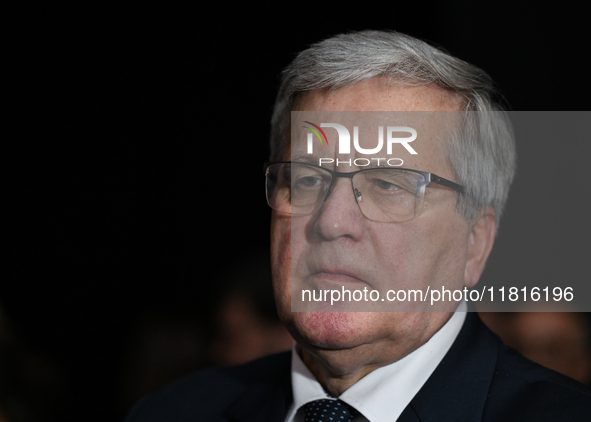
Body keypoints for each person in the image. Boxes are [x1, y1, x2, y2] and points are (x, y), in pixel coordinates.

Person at [125, 30, 591, 421]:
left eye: (389, 184)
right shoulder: (172, 412)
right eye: (307, 180)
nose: (332, 221)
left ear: (476, 243)